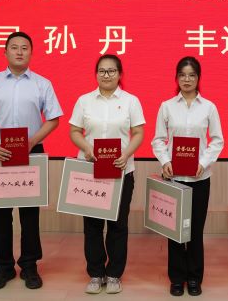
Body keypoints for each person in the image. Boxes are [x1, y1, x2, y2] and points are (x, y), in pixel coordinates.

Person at [0, 31, 63, 290]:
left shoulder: (42, 84)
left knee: (30, 215)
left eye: (24, 47)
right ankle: (3, 268)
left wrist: (32, 141)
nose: (19, 51)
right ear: (5, 52)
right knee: (0, 215)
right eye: (14, 47)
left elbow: (54, 119)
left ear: (31, 52)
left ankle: (30, 267)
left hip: (31, 151)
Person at [69, 54, 145, 294]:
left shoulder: (131, 101)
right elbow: (74, 131)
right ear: (96, 74)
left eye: (111, 71)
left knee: (117, 225)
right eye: (102, 71)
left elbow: (138, 133)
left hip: (121, 170)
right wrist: (86, 148)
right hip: (90, 170)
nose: (106, 75)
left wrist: (126, 154)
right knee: (92, 225)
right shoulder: (84, 100)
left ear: (120, 74)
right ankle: (95, 273)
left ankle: (113, 274)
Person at [151, 56, 224, 297]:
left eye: (192, 75)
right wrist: (165, 161)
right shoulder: (167, 106)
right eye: (182, 75)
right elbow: (158, 139)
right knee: (174, 230)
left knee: (195, 230)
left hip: (199, 178)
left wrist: (203, 163)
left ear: (198, 78)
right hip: (174, 177)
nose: (187, 79)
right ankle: (176, 278)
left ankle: (194, 277)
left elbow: (217, 141)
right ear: (176, 78)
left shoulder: (209, 107)